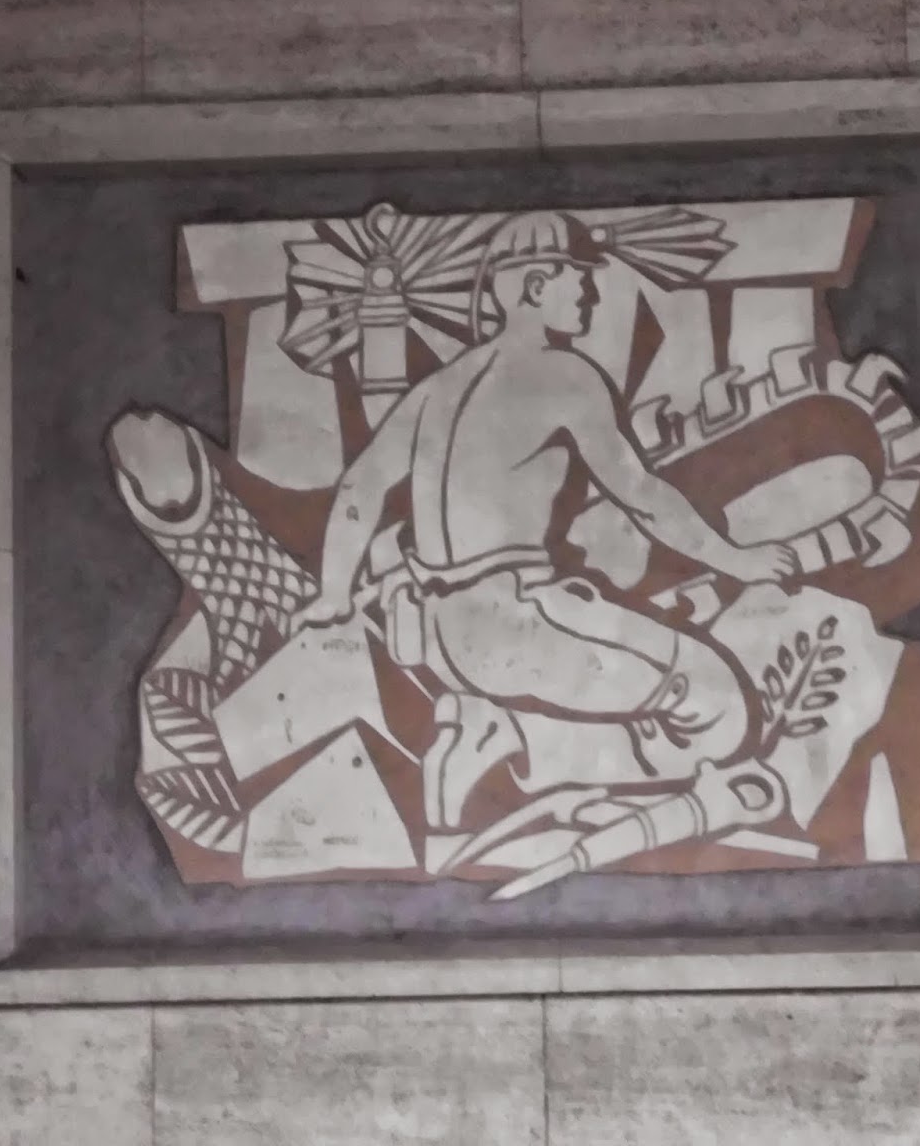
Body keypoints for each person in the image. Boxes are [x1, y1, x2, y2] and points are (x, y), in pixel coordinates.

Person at [297, 211, 797, 828]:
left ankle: (491, 726)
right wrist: (736, 560)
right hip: (518, 623)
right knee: (719, 708)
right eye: (577, 279)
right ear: (535, 286)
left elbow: (360, 484)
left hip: (437, 633)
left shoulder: (435, 390)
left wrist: (333, 594)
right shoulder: (564, 375)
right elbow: (640, 493)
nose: (589, 293)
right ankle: (520, 743)